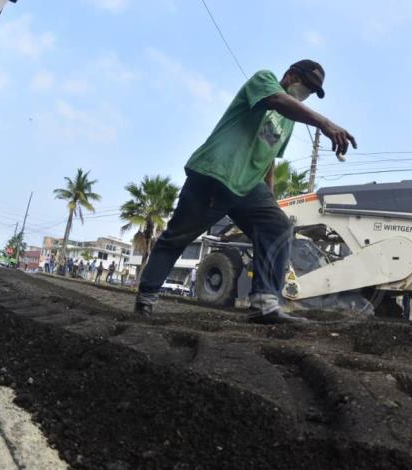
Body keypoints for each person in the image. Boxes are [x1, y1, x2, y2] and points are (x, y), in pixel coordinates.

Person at [133, 60, 356, 323]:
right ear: (291, 75)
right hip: (216, 173)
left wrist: (269, 200)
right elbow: (276, 100)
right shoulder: (265, 81)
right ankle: (146, 298)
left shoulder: (288, 123)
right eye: (305, 85)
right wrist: (325, 124)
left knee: (277, 226)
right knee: (177, 237)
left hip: (248, 186)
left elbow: (268, 158)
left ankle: (264, 304)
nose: (306, 93)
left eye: (312, 91)